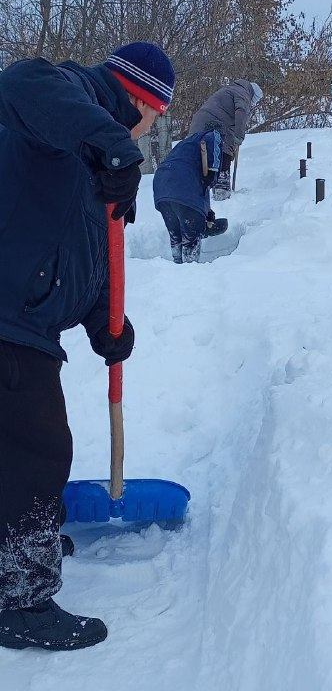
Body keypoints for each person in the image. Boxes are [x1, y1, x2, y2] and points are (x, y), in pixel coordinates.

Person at [0, 41, 175, 651]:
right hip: (7, 319)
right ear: (138, 99)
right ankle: (18, 597)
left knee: (18, 447)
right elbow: (19, 82)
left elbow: (91, 257)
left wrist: (106, 323)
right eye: (153, 117)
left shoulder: (90, 162)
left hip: (24, 322)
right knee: (36, 447)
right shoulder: (68, 98)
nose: (151, 129)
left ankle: (20, 542)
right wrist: (113, 143)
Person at [153, 130, 228, 263]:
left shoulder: (185, 144)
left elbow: (199, 189)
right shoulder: (213, 134)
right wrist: (213, 169)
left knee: (176, 235)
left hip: (162, 186)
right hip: (182, 186)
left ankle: (177, 265)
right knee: (190, 238)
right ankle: (190, 269)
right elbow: (213, 139)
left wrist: (206, 211)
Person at [188, 79, 263, 200]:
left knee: (202, 155)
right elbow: (241, 112)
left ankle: (199, 189)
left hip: (198, 123)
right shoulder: (243, 93)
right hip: (213, 124)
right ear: (253, 95)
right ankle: (221, 188)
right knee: (224, 148)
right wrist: (239, 135)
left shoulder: (230, 89)